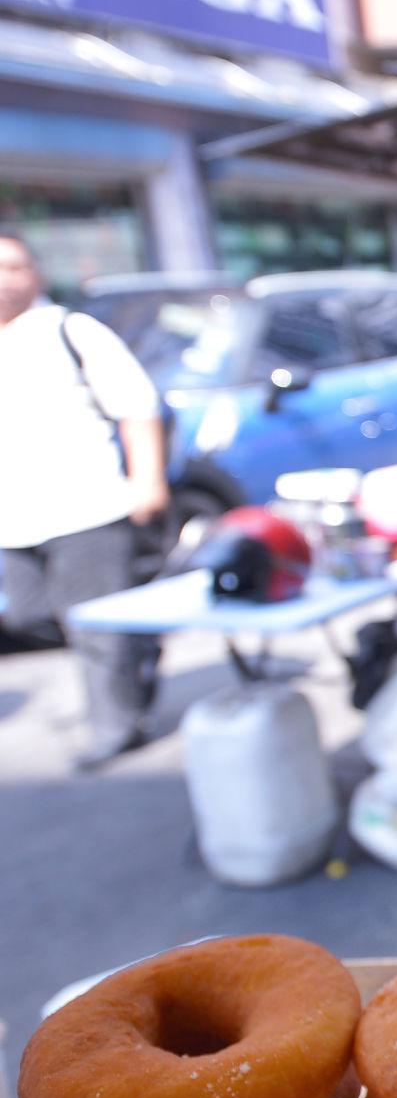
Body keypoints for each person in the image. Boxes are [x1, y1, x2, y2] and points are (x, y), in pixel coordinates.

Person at [0, 233, 169, 768]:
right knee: (28, 616)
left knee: (92, 625)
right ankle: (137, 643)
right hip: (13, 520)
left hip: (87, 508)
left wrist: (148, 479)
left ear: (36, 275)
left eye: (13, 267)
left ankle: (114, 730)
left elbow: (137, 406)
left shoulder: (70, 331)